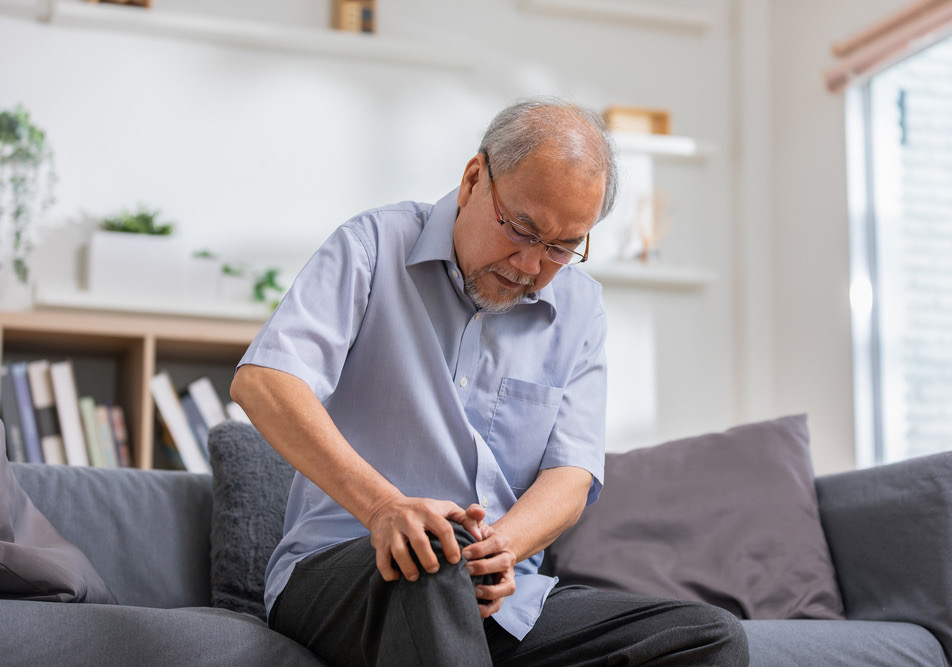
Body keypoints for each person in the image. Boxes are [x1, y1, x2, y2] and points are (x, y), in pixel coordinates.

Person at [230, 97, 749, 666]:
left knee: (708, 638)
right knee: (432, 559)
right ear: (474, 179)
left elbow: (571, 476)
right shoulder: (372, 246)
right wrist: (383, 508)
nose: (531, 266)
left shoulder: (581, 308)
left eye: (561, 247)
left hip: (498, 596)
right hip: (345, 573)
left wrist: (500, 552)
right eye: (523, 229)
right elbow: (265, 381)